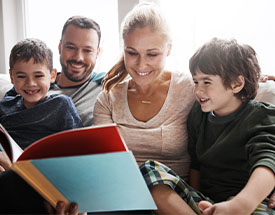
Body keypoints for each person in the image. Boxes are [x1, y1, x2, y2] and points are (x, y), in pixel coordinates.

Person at [140, 38, 275, 215]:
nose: (198, 90)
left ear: (236, 84)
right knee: (149, 170)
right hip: (207, 203)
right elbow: (196, 165)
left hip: (247, 203)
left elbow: (268, 162)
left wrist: (241, 204)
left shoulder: (261, 116)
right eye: (196, 82)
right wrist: (199, 198)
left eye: (207, 82)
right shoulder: (198, 114)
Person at [93, 2, 195, 180]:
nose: (141, 65)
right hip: (122, 189)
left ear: (168, 49)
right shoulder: (108, 98)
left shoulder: (189, 89)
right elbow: (106, 161)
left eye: (152, 54)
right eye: (132, 53)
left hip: (173, 193)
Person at [6, 15, 104, 126]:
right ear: (59, 47)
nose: (78, 57)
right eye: (71, 47)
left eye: (87, 50)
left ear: (97, 53)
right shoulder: (27, 88)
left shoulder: (107, 83)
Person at [0, 38, 83, 151]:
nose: (30, 83)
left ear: (52, 75)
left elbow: (79, 145)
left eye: (38, 76)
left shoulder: (61, 105)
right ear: (11, 77)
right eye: (21, 76)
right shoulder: (4, 107)